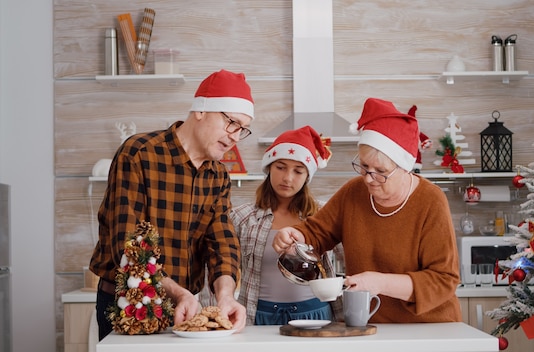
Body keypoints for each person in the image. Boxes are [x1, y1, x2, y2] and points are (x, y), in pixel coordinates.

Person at [89, 69, 253, 340]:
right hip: (131, 305)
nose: (235, 136)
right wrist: (179, 294)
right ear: (201, 110)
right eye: (231, 123)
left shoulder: (219, 175)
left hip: (187, 307)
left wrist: (226, 296)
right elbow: (129, 245)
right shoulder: (139, 154)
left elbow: (222, 243)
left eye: (242, 129)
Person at [272, 97, 462, 323]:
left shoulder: (431, 201)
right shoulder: (353, 192)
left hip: (429, 328)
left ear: (405, 168)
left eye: (380, 171)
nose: (369, 179)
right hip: (370, 325)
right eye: (363, 167)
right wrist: (296, 234)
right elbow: (318, 231)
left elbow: (444, 280)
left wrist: (380, 283)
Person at [201, 125, 341, 325]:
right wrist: (212, 313)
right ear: (269, 168)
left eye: (298, 171)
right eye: (281, 167)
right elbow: (213, 264)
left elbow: (355, 256)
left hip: (315, 314)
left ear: (307, 176)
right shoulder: (241, 217)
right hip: (258, 316)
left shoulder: (323, 215)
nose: (287, 178)